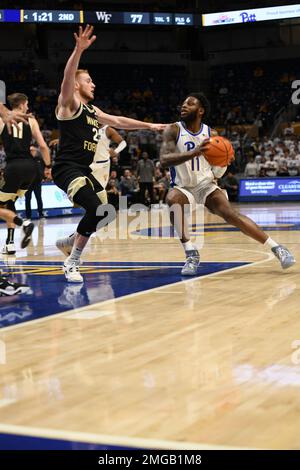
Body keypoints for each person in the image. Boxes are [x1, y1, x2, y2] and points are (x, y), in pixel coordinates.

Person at [52, 25, 165, 283]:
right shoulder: (69, 104)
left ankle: (71, 240)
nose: (93, 84)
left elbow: (118, 120)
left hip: (86, 170)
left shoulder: (93, 111)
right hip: (67, 168)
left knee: (107, 212)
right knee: (95, 208)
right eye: (88, 80)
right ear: (77, 84)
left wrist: (149, 126)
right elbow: (67, 79)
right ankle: (72, 262)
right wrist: (78, 50)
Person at [160, 93, 295, 275]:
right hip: (183, 187)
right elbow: (164, 160)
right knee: (172, 199)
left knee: (231, 214)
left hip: (206, 184)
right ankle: (191, 253)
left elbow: (217, 170)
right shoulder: (173, 130)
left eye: (190, 104)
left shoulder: (212, 134)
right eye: (183, 103)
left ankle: (278, 248)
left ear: (201, 111)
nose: (184, 106)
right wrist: (195, 153)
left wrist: (223, 163)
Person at [0, 93, 51, 254]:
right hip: (31, 169)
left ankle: (24, 223)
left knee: (3, 205)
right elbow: (43, 146)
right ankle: (9, 243)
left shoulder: (2, 120)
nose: (28, 107)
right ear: (22, 104)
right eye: (27, 104)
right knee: (10, 203)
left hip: (13, 167)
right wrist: (48, 166)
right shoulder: (32, 120)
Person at [25, 145, 48, 220]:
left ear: (36, 151)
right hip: (28, 183)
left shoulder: (40, 159)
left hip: (37, 182)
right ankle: (28, 216)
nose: (32, 152)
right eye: (30, 150)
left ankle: (41, 214)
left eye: (33, 150)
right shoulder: (26, 159)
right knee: (28, 199)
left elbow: (43, 169)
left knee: (39, 198)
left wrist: (43, 177)